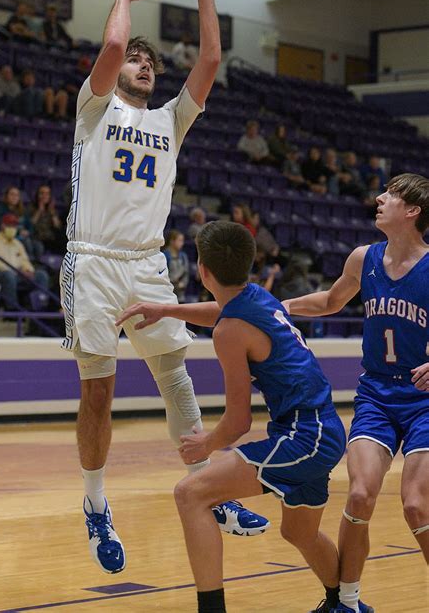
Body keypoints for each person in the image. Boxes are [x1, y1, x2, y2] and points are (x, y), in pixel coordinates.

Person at [59, 0, 268, 577]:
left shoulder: (171, 120)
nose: (144, 63)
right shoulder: (92, 109)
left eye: (152, 61)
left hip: (147, 259)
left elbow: (209, 55)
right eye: (137, 60)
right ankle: (95, 503)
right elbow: (116, 42)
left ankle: (208, 490)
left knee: (176, 377)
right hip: (92, 259)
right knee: (100, 392)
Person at [116, 220, 347, 613]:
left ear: (202, 270)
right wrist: (167, 310)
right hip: (323, 430)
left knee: (190, 494)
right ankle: (343, 602)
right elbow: (222, 312)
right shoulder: (256, 297)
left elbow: (238, 421)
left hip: (304, 437)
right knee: (299, 532)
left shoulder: (229, 332)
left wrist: (204, 445)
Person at [283, 173, 429, 612]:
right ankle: (345, 602)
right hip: (377, 395)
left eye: (391, 194)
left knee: (416, 506)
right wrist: (277, 307)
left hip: (424, 401)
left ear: (413, 211)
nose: (379, 198)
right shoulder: (363, 258)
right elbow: (329, 302)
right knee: (361, 495)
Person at [0, 213, 49, 309]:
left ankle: (39, 307)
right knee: (8, 275)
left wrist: (28, 270)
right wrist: (18, 272)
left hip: (17, 274)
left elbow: (25, 261)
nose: (12, 228)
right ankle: (12, 310)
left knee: (41, 275)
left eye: (14, 226)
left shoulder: (17, 244)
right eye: (10, 225)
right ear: (3, 226)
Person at [28, 184, 66, 255]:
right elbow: (30, 224)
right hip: (37, 237)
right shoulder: (31, 208)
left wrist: (53, 213)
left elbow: (57, 226)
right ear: (37, 195)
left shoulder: (51, 210)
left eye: (47, 194)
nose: (44, 196)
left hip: (50, 238)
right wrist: (39, 211)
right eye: (42, 193)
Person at [163, 230, 190, 303]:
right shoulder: (164, 256)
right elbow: (162, 275)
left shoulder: (183, 256)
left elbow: (186, 273)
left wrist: (183, 283)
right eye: (180, 240)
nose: (182, 243)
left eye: (183, 241)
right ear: (172, 241)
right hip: (167, 292)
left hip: (180, 293)